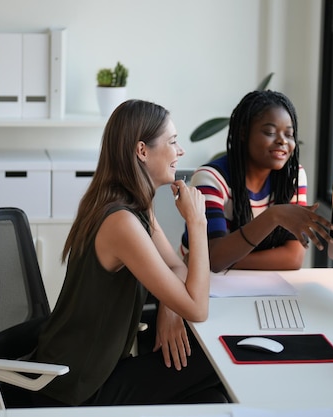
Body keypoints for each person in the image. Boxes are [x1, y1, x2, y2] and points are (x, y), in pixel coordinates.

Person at [35, 99, 226, 406]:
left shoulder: (135, 208)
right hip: (80, 386)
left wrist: (169, 305)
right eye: (173, 141)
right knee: (217, 363)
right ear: (142, 151)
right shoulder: (122, 222)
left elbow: (177, 268)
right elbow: (198, 307)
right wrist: (197, 222)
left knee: (212, 397)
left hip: (101, 371)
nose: (181, 151)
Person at [181, 90, 333, 272]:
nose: (282, 141)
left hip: (256, 283)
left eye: (289, 134)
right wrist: (273, 216)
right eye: (270, 132)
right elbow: (214, 260)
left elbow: (294, 258)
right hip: (196, 284)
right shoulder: (210, 179)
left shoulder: (293, 177)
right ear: (244, 133)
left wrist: (223, 260)